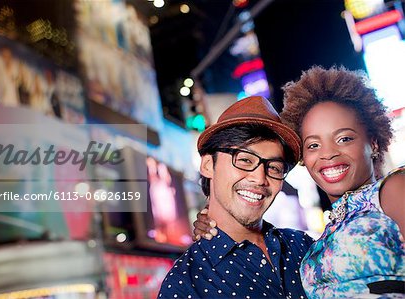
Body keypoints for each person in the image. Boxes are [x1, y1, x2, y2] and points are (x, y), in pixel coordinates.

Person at [194, 66, 405, 298]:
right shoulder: (315, 242)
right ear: (305, 157)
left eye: (344, 138)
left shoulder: (391, 191)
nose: (328, 153)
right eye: (313, 145)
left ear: (373, 143)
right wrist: (215, 219)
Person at [158, 96, 314, 299]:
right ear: (207, 165)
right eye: (244, 160)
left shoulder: (303, 246)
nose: (259, 178)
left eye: (273, 168)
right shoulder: (186, 284)